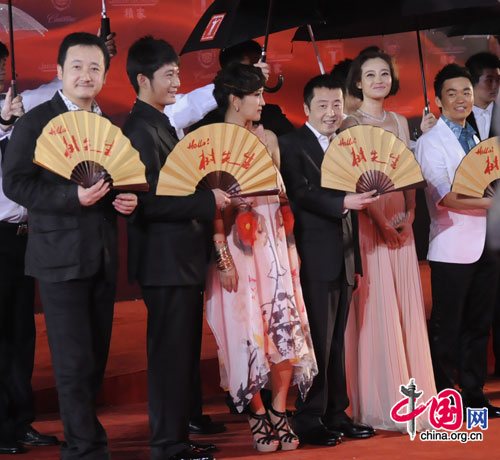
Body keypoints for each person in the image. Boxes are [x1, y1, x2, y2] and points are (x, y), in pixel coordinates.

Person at [2, 32, 138, 460]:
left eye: (94, 67)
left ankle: (86, 440)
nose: (85, 74)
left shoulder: (107, 125)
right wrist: (70, 198)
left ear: (104, 75)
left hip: (101, 255)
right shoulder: (36, 121)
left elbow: (119, 178)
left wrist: (127, 199)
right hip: (58, 259)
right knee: (73, 360)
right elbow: (15, 183)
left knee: (96, 357)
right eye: (76, 66)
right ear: (59, 72)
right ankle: (84, 449)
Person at [123, 36, 229, 460]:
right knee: (168, 356)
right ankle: (167, 445)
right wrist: (208, 202)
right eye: (169, 75)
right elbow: (144, 202)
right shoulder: (139, 129)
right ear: (143, 79)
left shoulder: (160, 123)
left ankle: (177, 437)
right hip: (163, 262)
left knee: (181, 354)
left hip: (179, 260)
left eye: (178, 73)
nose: (177, 82)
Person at [203, 62, 317, 453]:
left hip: (273, 247)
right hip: (237, 246)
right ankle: (255, 412)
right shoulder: (211, 142)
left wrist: (290, 246)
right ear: (235, 99)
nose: (261, 102)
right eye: (255, 95)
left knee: (283, 326)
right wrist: (222, 258)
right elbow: (212, 210)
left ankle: (280, 408)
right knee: (246, 332)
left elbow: (282, 199)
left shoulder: (268, 137)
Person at [340, 47, 437, 432]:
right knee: (376, 307)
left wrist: (411, 213)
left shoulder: (399, 121)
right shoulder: (348, 124)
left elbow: (408, 172)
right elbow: (356, 181)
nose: (379, 80)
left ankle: (412, 399)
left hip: (402, 220)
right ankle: (380, 400)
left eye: (384, 74)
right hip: (370, 224)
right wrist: (381, 222)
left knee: (404, 307)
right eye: (370, 75)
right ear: (358, 83)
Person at [279, 74, 378, 446]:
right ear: (306, 108)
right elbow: (300, 193)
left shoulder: (348, 143)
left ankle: (337, 412)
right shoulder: (292, 144)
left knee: (337, 342)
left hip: (346, 255)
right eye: (322, 105)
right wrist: (342, 203)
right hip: (314, 256)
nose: (331, 112)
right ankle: (309, 418)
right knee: (317, 341)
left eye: (337, 104)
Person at [415, 63, 500, 417]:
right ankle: (445, 395)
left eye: (466, 91)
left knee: (479, 324)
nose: (461, 99)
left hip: (488, 244)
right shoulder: (430, 143)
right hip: (451, 246)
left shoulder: (479, 139)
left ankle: (474, 392)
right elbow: (446, 197)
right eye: (452, 93)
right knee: (448, 326)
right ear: (437, 100)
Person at [0, 41, 60, 455]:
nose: (0, 74)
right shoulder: (6, 113)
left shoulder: (21, 102)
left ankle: (20, 422)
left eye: (2, 66)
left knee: (21, 334)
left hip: (25, 238)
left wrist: (98, 43)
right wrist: (4, 122)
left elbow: (58, 89)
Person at [190, 40, 294, 137]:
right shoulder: (205, 122)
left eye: (258, 67)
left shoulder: (272, 116)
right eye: (250, 69)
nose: (257, 73)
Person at [465, 52, 500, 141]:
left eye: (498, 79)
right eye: (490, 80)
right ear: (472, 81)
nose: (496, 85)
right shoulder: (459, 117)